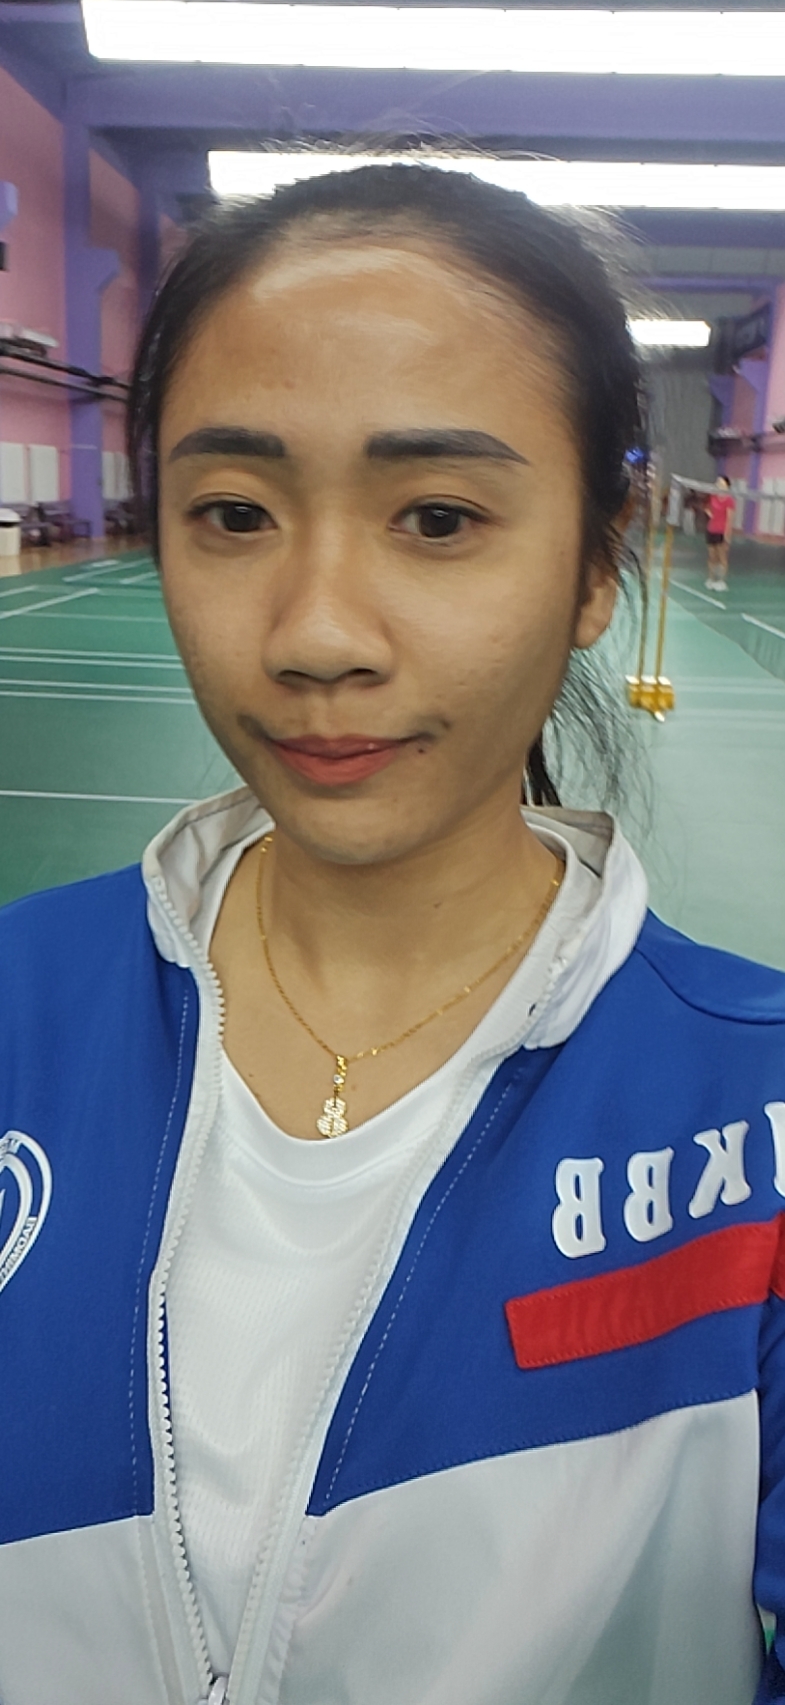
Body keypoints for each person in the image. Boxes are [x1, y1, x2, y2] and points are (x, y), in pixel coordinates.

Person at [1, 164, 784, 1705]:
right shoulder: (17, 1012)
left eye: (436, 518)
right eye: (234, 514)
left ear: (597, 564)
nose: (315, 635)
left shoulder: (755, 1120)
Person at [706, 472, 735, 590]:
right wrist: (710, 514)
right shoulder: (713, 497)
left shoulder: (729, 501)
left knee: (722, 557)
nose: (718, 485)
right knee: (712, 556)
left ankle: (721, 581)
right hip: (711, 530)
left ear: (727, 486)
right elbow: (708, 508)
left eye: (721, 483)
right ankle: (711, 579)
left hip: (721, 531)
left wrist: (728, 536)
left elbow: (729, 519)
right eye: (717, 483)